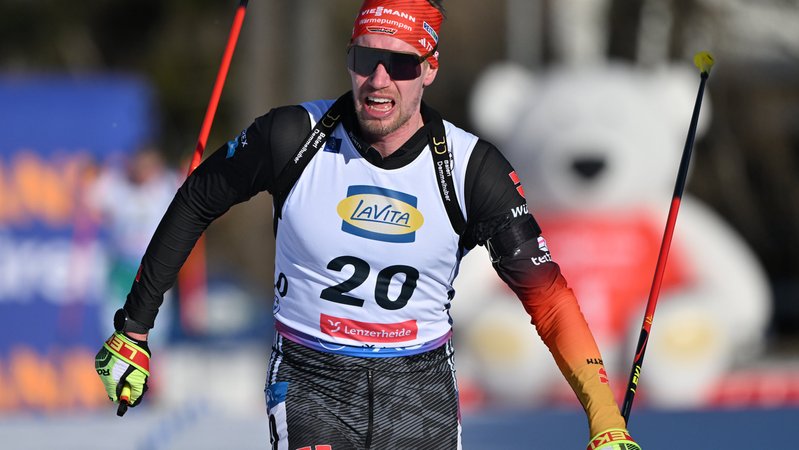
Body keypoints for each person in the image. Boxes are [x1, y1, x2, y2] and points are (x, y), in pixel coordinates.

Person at [95, 1, 641, 449]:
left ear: (430, 68)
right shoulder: (293, 136)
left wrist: (604, 418)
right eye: (365, 59)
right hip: (312, 378)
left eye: (400, 65)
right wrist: (135, 327)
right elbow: (196, 200)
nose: (379, 82)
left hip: (419, 389)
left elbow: (547, 296)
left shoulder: (472, 169)